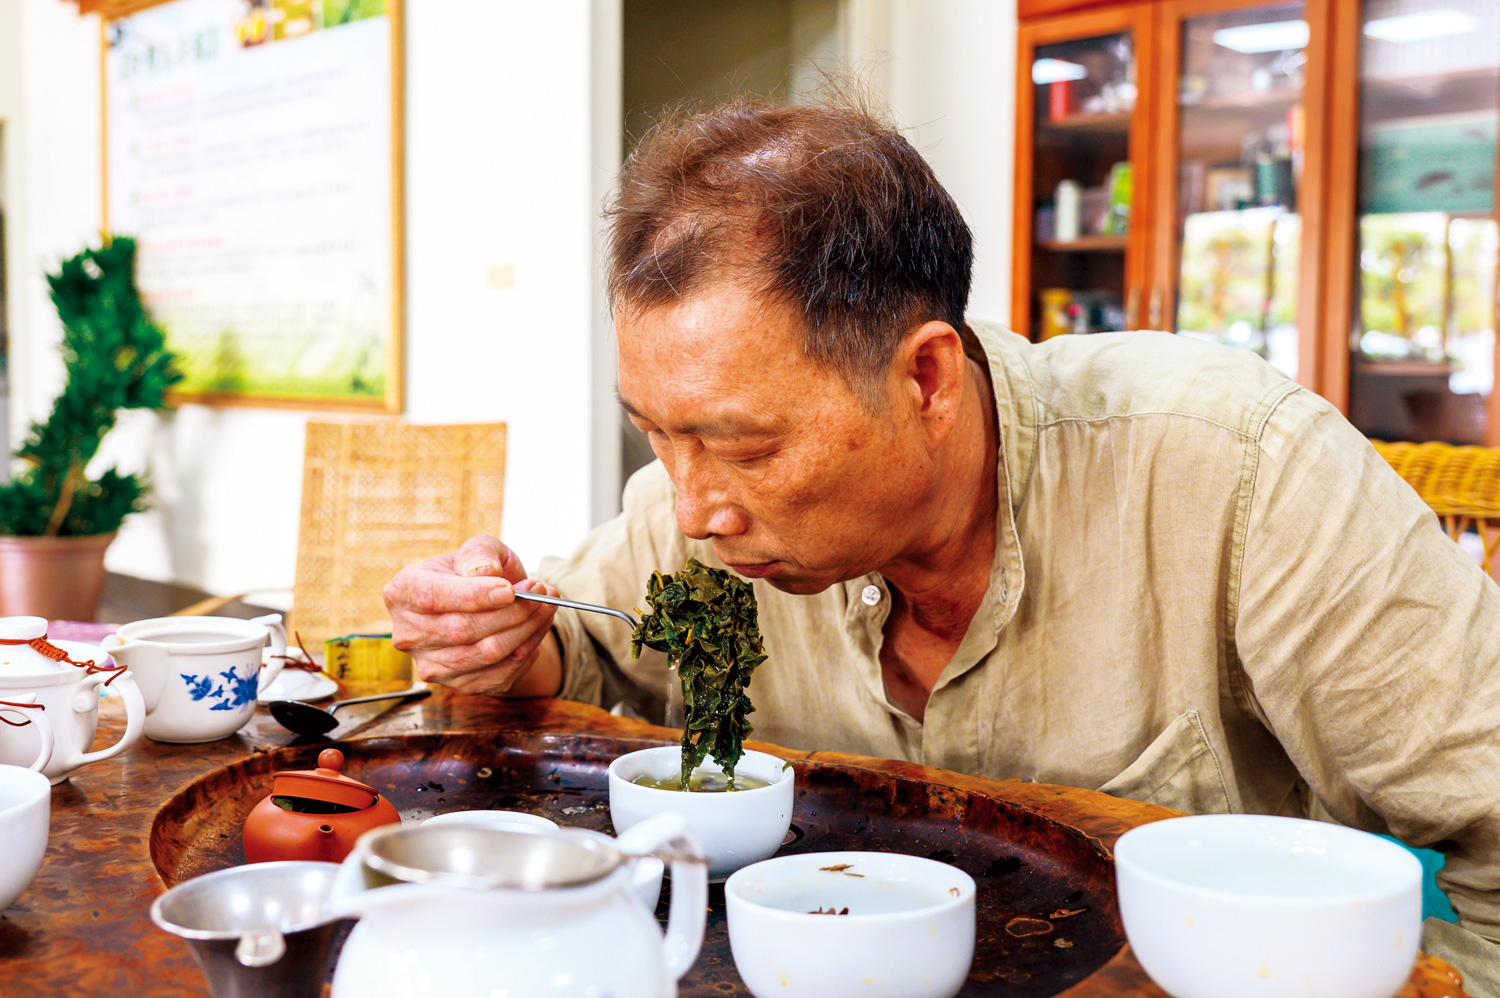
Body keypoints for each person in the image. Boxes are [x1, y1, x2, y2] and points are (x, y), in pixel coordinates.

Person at [384, 99, 1500, 989]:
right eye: (657, 436)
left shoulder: (1237, 473)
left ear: (924, 377)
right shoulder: (701, 527)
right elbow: (576, 650)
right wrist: (495, 637)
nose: (692, 507)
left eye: (743, 446)